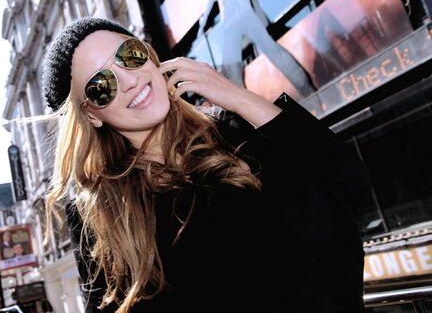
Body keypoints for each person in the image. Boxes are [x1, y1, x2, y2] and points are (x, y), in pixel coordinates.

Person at [40, 17, 365, 312]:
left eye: (129, 55)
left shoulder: (236, 131)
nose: (128, 80)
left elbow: (349, 183)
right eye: (101, 87)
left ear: (150, 55)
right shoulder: (100, 212)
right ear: (91, 116)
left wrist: (234, 95)